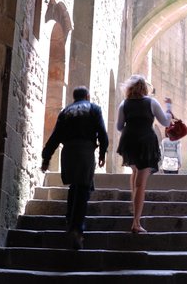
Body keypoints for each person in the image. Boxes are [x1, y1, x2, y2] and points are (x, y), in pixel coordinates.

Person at [41, 86, 109, 250]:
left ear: (74, 97)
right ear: (87, 96)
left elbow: (55, 136)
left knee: (74, 185)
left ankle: (69, 219)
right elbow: (102, 133)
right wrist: (102, 154)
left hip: (69, 152)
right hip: (85, 151)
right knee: (83, 188)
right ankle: (76, 229)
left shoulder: (65, 112)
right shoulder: (94, 108)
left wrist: (46, 157)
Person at [116, 74, 172, 233]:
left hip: (129, 141)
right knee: (141, 182)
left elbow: (120, 127)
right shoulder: (151, 102)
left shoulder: (124, 104)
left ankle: (133, 204)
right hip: (146, 142)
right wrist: (169, 109)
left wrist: (132, 125)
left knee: (134, 172)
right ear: (144, 88)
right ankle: (136, 222)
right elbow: (165, 122)